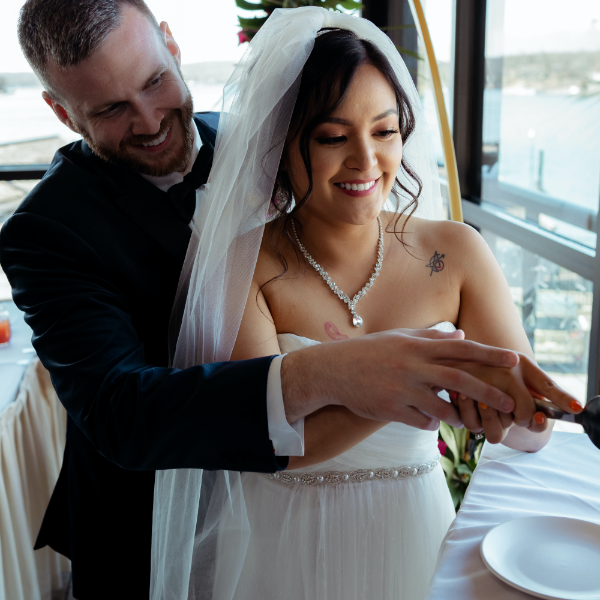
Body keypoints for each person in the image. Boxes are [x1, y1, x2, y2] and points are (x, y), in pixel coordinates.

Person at [0, 2, 579, 599]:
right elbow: (122, 412)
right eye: (111, 108)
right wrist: (350, 373)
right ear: (61, 112)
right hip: (145, 528)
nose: (149, 119)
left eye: (153, 82)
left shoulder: (258, 137)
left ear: (171, 45)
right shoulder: (46, 232)